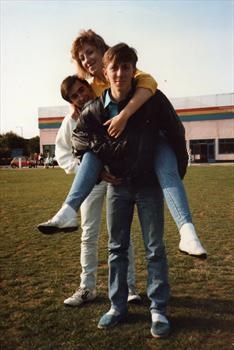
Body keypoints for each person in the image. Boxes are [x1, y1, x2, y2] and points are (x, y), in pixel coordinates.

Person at [38, 29, 207, 258]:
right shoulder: (89, 89)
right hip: (115, 158)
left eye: (90, 52)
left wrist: (124, 115)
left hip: (149, 142)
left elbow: (150, 83)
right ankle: (68, 210)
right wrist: (76, 111)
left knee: (166, 176)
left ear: (103, 50)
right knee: (110, 235)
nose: (87, 60)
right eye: (82, 58)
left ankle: (188, 233)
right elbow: (81, 130)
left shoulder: (128, 74)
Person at [73, 43, 171, 336]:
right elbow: (79, 140)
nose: (119, 73)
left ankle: (158, 310)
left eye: (125, 67)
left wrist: (173, 169)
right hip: (118, 187)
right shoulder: (95, 107)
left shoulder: (150, 100)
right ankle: (117, 306)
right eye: (113, 68)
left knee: (155, 249)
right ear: (105, 71)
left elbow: (174, 131)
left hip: (148, 186)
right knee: (117, 248)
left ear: (133, 70)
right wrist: (99, 170)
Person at [47, 74, 141, 305]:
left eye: (82, 89)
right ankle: (86, 288)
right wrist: (90, 172)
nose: (81, 96)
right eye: (75, 96)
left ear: (89, 86)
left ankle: (129, 287)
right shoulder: (70, 121)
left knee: (121, 235)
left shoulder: (108, 106)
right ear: (70, 100)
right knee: (89, 234)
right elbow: (63, 153)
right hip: (92, 183)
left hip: (117, 180)